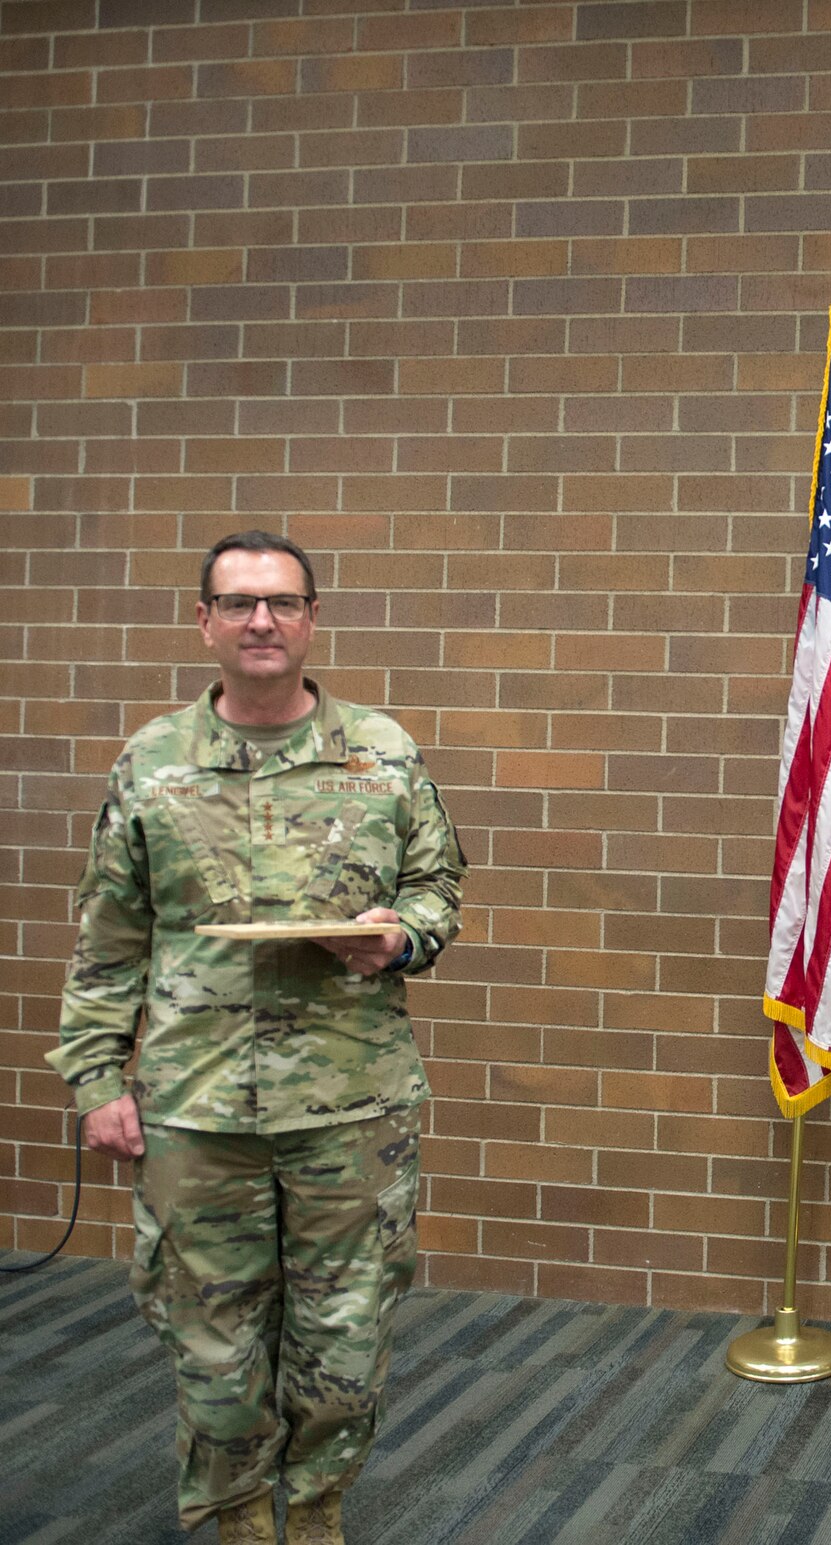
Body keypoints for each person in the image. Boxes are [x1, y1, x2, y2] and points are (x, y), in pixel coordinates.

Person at [48, 532, 466, 1545]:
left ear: (312, 617)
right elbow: (111, 936)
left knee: (344, 1334)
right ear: (205, 624)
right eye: (237, 604)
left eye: (280, 602)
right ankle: (236, 1516)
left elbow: (436, 887)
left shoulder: (384, 751)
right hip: (196, 1108)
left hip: (351, 1106)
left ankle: (317, 1505)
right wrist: (98, 1077)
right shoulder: (151, 764)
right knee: (212, 1341)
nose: (261, 621)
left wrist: (400, 936)